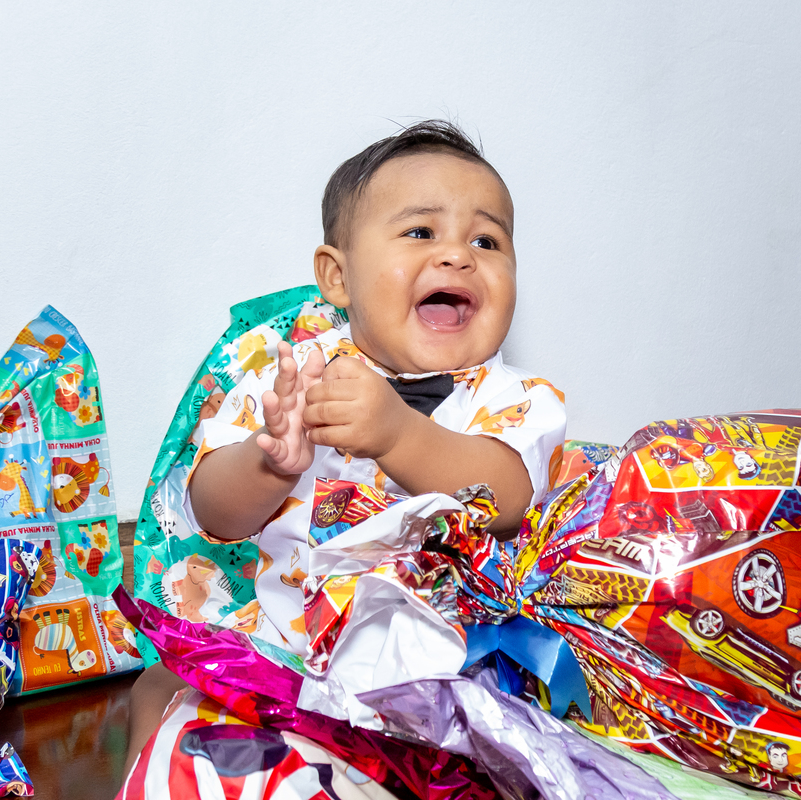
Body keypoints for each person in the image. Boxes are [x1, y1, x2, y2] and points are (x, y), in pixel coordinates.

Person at [125, 120, 567, 771]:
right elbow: (214, 514)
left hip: (438, 676)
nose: (458, 255)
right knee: (161, 685)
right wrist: (269, 463)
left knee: (511, 751)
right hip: (285, 651)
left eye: (487, 239)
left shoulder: (515, 397)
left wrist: (399, 433)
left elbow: (507, 499)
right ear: (338, 277)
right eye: (421, 232)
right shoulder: (290, 374)